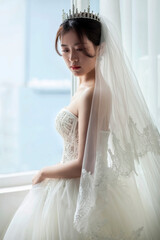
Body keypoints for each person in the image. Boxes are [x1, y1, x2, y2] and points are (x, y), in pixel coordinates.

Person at [2, 4, 160, 240]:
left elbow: (84, 166)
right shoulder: (85, 85)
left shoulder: (92, 93)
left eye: (80, 49)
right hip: (75, 185)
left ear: (101, 48)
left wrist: (44, 172)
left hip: (80, 190)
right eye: (65, 50)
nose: (72, 58)